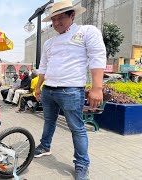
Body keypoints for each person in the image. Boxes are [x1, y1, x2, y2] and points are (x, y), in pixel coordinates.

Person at [33, 1, 106, 180]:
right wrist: (37, 86)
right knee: (49, 121)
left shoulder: (86, 32)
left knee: (77, 128)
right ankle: (45, 146)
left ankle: (81, 164)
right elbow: (43, 66)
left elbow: (97, 57)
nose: (56, 23)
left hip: (72, 90)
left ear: (72, 15)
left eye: (61, 18)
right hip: (49, 89)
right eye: (54, 20)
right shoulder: (49, 42)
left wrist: (97, 88)